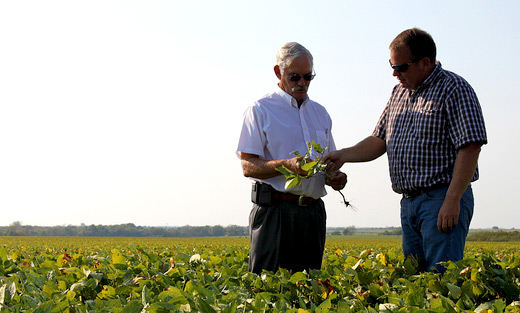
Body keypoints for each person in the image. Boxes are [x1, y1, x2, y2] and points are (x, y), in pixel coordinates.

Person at [324, 28, 487, 273]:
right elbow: (379, 139)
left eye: (401, 67)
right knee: (416, 280)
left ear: (424, 63)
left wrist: (453, 199)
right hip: (409, 202)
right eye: (392, 65)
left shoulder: (454, 88)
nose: (394, 73)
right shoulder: (399, 92)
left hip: (441, 198)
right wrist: (343, 154)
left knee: (442, 280)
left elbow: (470, 146)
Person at [237, 42, 347, 274]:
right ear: (278, 72)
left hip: (312, 214)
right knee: (266, 291)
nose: (302, 83)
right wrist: (286, 166)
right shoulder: (260, 109)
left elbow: (328, 163)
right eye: (295, 77)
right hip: (274, 213)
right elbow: (247, 165)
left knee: (308, 293)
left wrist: (334, 176)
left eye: (308, 77)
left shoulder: (320, 113)